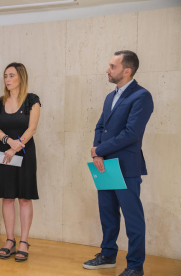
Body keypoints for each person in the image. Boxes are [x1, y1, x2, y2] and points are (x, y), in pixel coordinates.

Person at [83, 51, 153, 276]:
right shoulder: (109, 97)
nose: (107, 70)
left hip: (126, 167)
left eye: (112, 66)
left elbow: (131, 133)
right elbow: (99, 127)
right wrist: (96, 154)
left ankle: (134, 266)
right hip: (104, 166)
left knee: (133, 218)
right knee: (108, 213)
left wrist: (100, 150)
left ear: (127, 71)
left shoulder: (142, 96)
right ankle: (108, 255)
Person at [0, 62, 41, 262]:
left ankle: (24, 241)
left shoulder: (32, 100)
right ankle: (10, 240)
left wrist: (15, 147)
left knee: (24, 198)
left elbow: (32, 129)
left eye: (11, 75)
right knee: (7, 197)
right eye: (5, 76)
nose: (8, 79)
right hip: (3, 153)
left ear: (21, 77)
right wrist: (7, 142)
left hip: (24, 152)